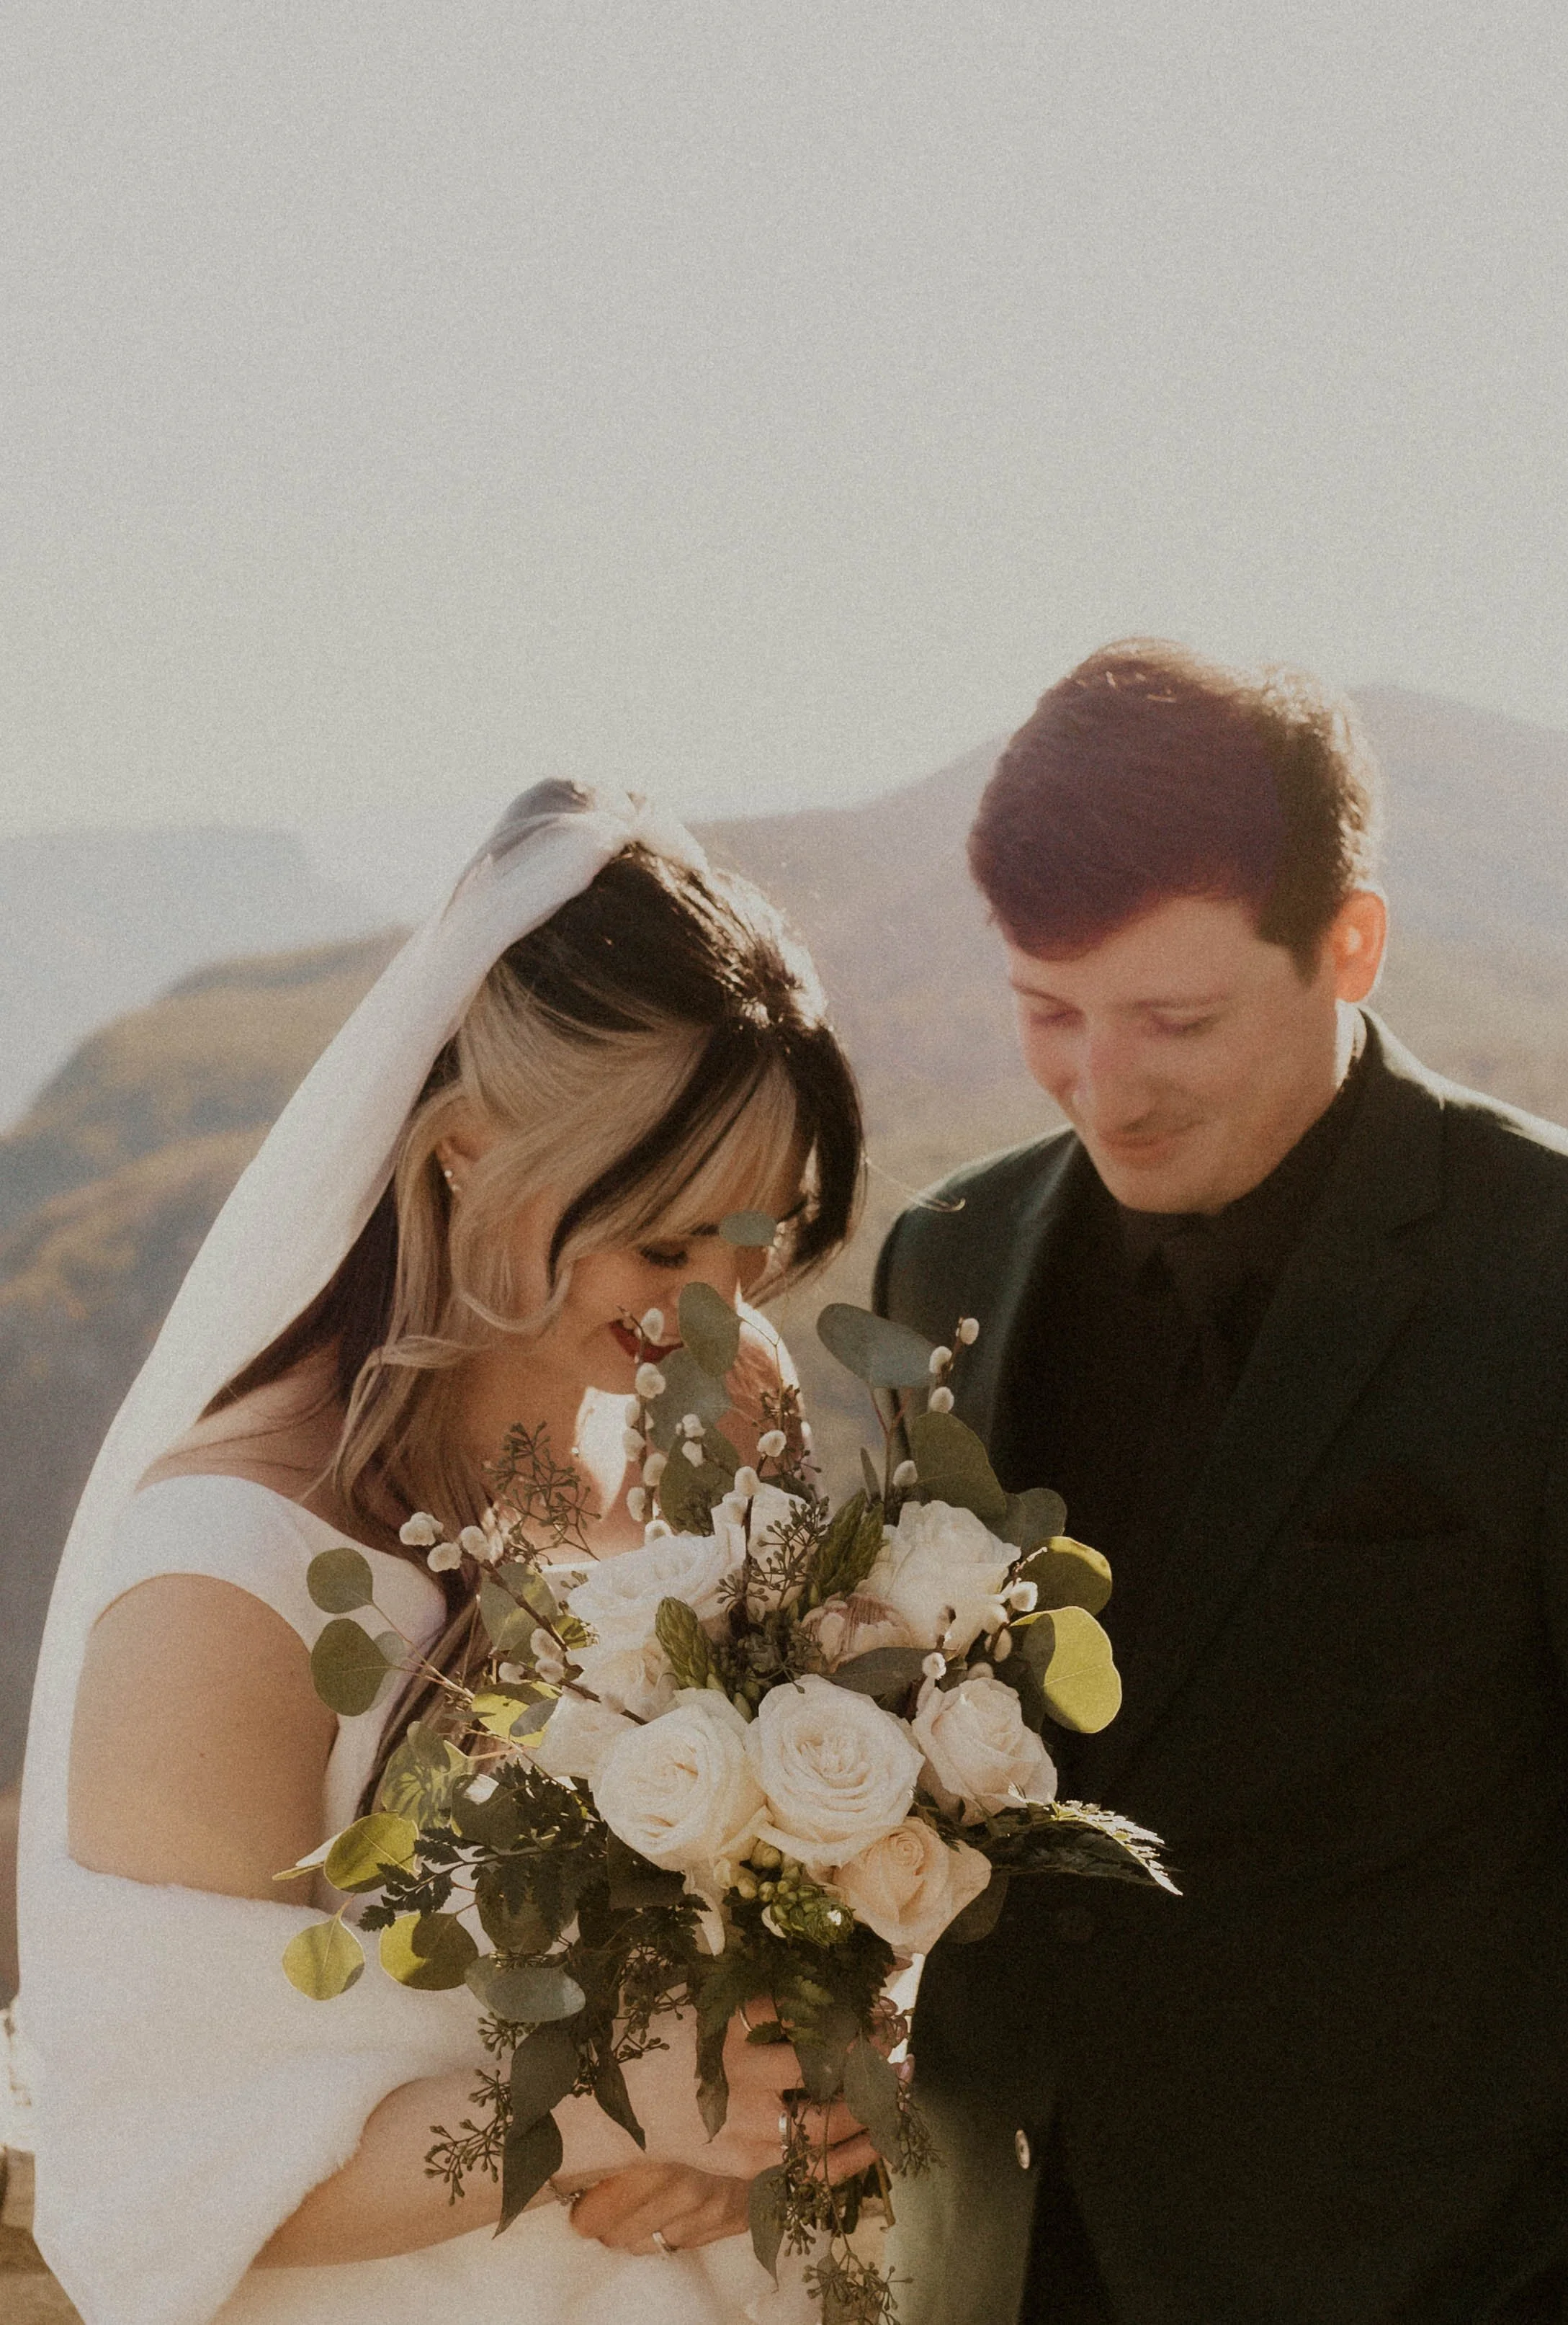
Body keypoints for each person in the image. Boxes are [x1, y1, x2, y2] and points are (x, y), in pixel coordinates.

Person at [18, 781, 875, 2325]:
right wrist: (631, 2107)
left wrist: (783, 2084)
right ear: (464, 1153)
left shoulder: (722, 1417)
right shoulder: (230, 1578)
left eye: (758, 1238)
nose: (712, 1305)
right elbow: (159, 2174)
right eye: (664, 1242)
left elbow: (800, 1901)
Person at [875, 640, 1568, 2324]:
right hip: (1000, 2267)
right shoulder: (939, 1261)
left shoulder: (1542, 1268)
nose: (1099, 1088)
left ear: (1347, 945)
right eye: (1047, 1011)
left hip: (1435, 2274)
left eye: (1172, 1020)